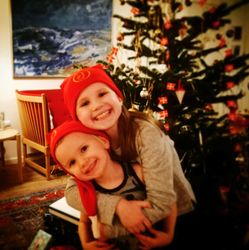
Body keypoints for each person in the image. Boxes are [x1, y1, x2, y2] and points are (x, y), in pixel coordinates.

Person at [61, 64, 196, 246]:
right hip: (133, 211)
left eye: (102, 94)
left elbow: (164, 203)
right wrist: (117, 206)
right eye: (84, 103)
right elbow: (72, 192)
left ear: (118, 97)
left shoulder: (145, 134)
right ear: (76, 117)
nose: (97, 105)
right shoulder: (89, 141)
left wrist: (105, 231)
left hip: (176, 215)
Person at [49, 120, 177, 249]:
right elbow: (84, 222)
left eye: (84, 149)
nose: (82, 162)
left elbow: (168, 200)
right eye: (72, 163)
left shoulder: (137, 172)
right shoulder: (88, 190)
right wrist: (86, 243)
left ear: (103, 141)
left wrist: (168, 234)